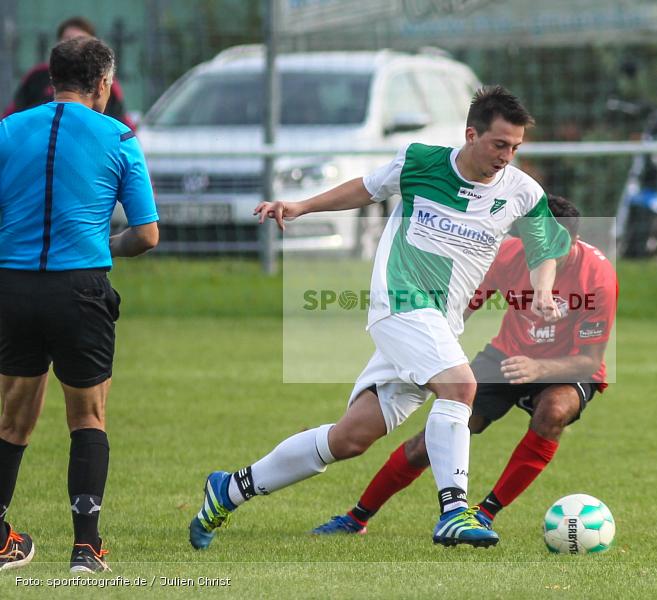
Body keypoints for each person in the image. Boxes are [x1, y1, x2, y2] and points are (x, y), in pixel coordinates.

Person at [189, 86, 570, 550]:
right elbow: (366, 189)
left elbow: (544, 245)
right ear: (471, 135)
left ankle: (228, 489)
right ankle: (454, 509)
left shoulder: (522, 191)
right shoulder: (419, 160)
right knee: (461, 386)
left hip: (441, 323)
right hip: (400, 302)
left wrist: (545, 290)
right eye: (499, 145)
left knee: (349, 439)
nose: (507, 157)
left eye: (515, 148)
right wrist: (302, 206)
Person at [309, 195, 618, 536]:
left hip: (566, 366)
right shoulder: (508, 255)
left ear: (573, 242)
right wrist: (431, 349)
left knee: (555, 411)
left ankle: (485, 513)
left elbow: (589, 360)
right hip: (506, 356)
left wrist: (539, 369)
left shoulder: (598, 278)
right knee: (434, 437)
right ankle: (356, 518)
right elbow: (460, 310)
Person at [0, 36, 159, 572]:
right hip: (80, 289)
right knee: (87, 416)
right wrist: (103, 245)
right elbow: (147, 235)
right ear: (104, 85)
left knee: (12, 418)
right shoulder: (118, 137)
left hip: (14, 286)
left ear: (52, 80)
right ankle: (85, 549)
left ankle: (0, 538)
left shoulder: (7, 130)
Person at [2, 16, 135, 130]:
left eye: (82, 41)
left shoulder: (106, 83)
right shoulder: (37, 76)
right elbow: (10, 118)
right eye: (69, 40)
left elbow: (125, 127)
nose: (76, 47)